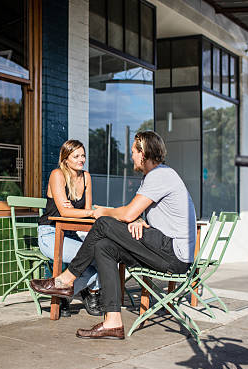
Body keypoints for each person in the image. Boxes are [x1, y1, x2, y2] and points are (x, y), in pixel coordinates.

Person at [30, 130, 196, 339]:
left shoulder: (160, 175)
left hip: (173, 253)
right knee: (104, 247)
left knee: (102, 223)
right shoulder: (152, 177)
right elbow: (137, 214)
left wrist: (106, 212)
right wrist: (137, 219)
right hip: (162, 248)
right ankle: (113, 322)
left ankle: (65, 280)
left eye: (134, 152)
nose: (132, 156)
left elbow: (127, 212)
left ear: (143, 153)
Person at [37, 139, 102, 317]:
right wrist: (77, 211)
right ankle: (91, 293)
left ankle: (63, 295)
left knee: (105, 256)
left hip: (72, 233)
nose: (81, 159)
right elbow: (66, 212)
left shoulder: (86, 177)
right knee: (97, 259)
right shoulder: (57, 175)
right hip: (50, 234)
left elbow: (86, 211)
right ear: (65, 159)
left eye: (83, 155)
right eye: (76, 156)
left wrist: (78, 212)